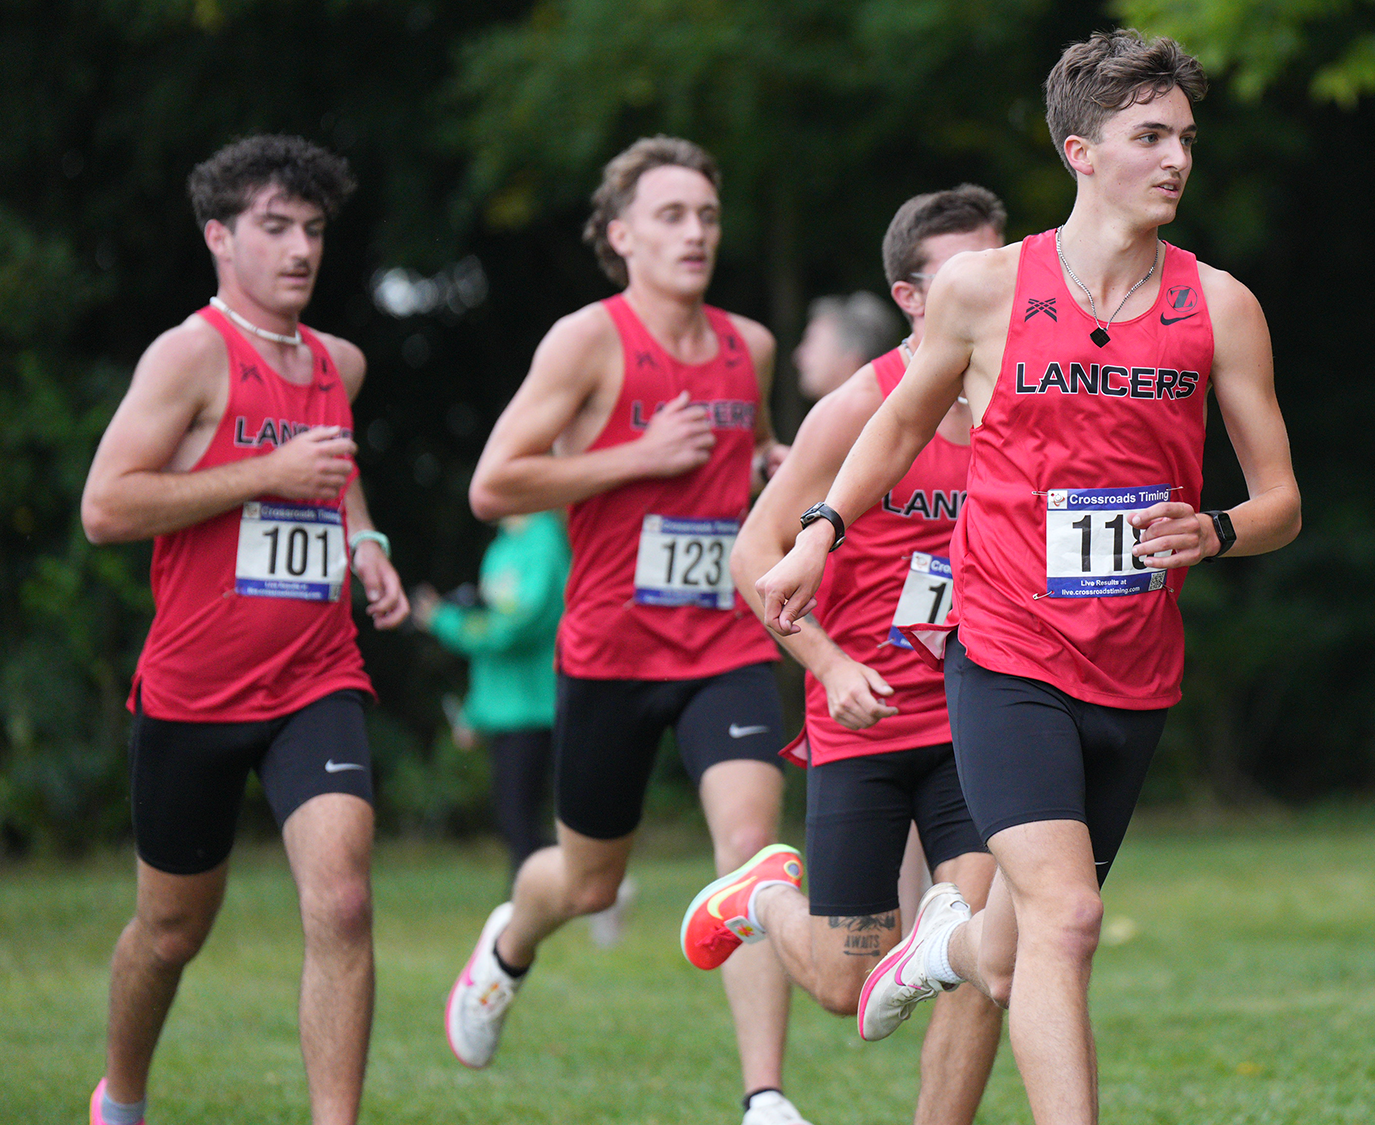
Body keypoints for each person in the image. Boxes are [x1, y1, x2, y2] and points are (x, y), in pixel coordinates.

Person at [754, 31, 1302, 1125]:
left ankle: (940, 946)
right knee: (1068, 920)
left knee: (1008, 948)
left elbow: (1281, 501)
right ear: (1079, 151)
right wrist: (818, 528)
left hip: (1133, 670)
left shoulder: (1221, 308)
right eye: (1148, 136)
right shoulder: (984, 290)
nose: (1174, 160)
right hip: (1004, 658)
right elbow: (897, 425)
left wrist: (1216, 530)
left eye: (1184, 139)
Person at [443, 135, 809, 1125]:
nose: (695, 233)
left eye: (707, 215)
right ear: (620, 236)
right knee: (589, 880)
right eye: (671, 216)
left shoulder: (749, 345)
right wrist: (634, 455)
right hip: (609, 651)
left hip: (723, 644)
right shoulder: (586, 342)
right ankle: (510, 943)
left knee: (752, 851)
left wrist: (769, 465)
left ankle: (763, 1097)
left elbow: (738, 458)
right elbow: (495, 484)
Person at [78, 134, 409, 1125]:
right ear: (220, 237)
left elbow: (334, 465)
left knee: (343, 901)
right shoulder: (188, 357)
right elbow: (105, 507)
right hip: (194, 691)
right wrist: (262, 475)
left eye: (311, 229)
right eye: (274, 228)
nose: (300, 249)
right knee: (171, 929)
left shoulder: (334, 363)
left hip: (315, 679)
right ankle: (123, 1096)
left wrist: (364, 543)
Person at [682, 185, 1010, 1125]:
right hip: (861, 724)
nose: (989, 285)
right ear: (911, 297)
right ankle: (764, 895)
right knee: (844, 986)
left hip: (975, 718)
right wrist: (826, 664)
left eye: (999, 264)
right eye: (963, 269)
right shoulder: (855, 409)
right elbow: (753, 555)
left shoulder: (1019, 408)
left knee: (990, 951)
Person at [411, 511, 569, 877]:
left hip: (540, 707)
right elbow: (489, 631)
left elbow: (513, 628)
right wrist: (474, 710)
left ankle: (520, 920)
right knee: (515, 824)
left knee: (520, 825)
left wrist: (443, 620)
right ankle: (596, 880)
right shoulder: (501, 547)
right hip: (506, 711)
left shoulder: (545, 541)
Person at [792, 291, 902, 401]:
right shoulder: (891, 411)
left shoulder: (863, 416)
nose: (798, 357)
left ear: (852, 358)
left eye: (812, 345)